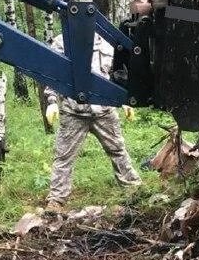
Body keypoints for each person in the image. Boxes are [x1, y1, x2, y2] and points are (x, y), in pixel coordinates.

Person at [44, 32, 141, 212]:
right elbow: (53, 73)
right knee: (63, 156)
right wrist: (51, 101)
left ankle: (133, 189)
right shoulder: (61, 42)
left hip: (104, 110)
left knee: (117, 149)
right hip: (74, 111)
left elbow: (118, 74)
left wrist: (125, 100)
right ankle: (56, 199)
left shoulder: (107, 42)